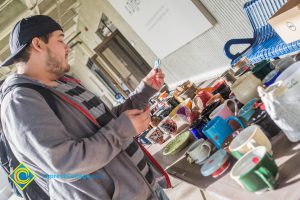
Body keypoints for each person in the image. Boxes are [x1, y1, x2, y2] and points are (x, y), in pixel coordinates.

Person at [0, 15, 170, 200]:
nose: (67, 47)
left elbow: (106, 124)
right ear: (38, 44)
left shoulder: (63, 83)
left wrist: (143, 92)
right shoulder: (20, 101)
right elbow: (64, 164)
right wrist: (122, 130)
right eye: (60, 39)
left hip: (149, 188)